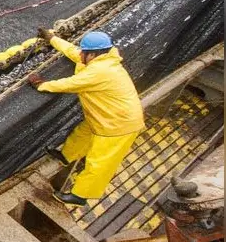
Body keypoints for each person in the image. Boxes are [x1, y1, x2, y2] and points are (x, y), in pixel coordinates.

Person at [28, 29, 144, 206]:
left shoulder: (100, 71)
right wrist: (52, 39)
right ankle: (66, 156)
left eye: (84, 52)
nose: (80, 53)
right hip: (106, 115)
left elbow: (70, 84)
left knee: (99, 162)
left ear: (92, 54)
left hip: (120, 125)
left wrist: (42, 85)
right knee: (83, 133)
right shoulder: (101, 59)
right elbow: (72, 51)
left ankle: (80, 195)